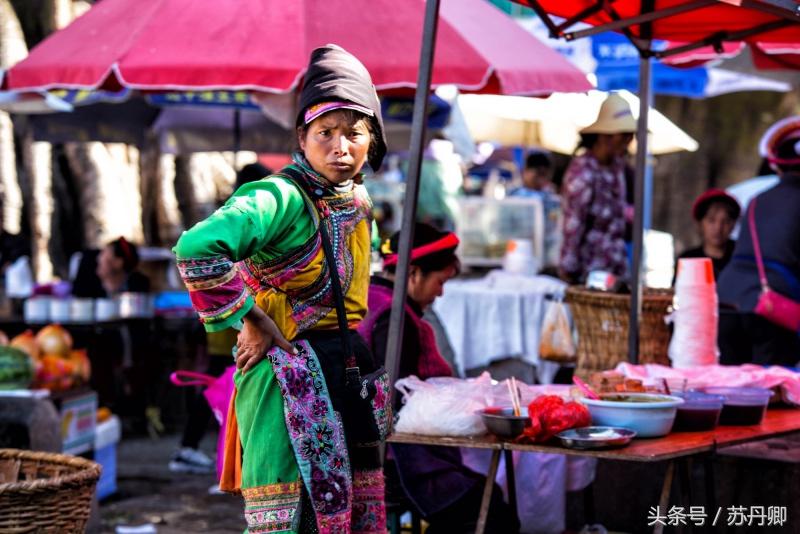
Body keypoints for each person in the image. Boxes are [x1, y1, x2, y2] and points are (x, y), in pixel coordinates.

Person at [173, 44, 388, 532]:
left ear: (370, 138)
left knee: (349, 514)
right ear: (301, 136)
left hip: (345, 369)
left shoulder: (356, 199)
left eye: (354, 134)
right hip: (287, 377)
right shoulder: (277, 196)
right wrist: (254, 317)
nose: (340, 147)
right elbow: (196, 249)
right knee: (291, 521)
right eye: (325, 133)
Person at [359, 223, 520, 534]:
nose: (441, 292)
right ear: (414, 273)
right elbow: (399, 398)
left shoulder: (372, 298)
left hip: (380, 452)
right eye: (440, 281)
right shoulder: (394, 320)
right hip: (396, 461)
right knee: (490, 509)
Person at [717, 116, 800, 367]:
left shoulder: (757, 199)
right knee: (774, 392)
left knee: (731, 389)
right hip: (773, 307)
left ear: (776, 165)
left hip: (727, 298)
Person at [559, 93, 635, 284]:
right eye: (623, 135)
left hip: (616, 269)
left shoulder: (617, 168)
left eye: (630, 135)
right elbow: (573, 224)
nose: (628, 140)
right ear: (605, 136)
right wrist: (568, 269)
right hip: (589, 272)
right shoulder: (582, 171)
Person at [676, 189, 740, 282]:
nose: (718, 228)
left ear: (733, 225)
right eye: (711, 220)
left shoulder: (742, 257)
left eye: (725, 221)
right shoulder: (688, 260)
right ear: (700, 223)